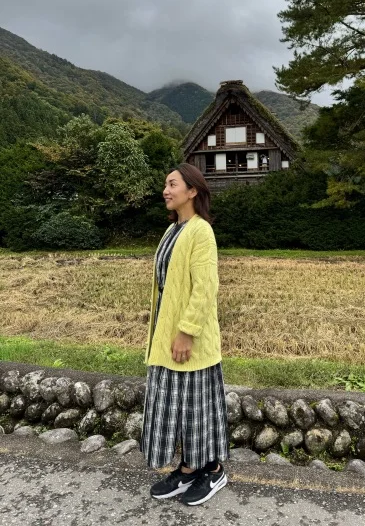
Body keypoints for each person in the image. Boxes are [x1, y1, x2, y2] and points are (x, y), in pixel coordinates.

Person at [140, 163, 229, 506]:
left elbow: (205, 288)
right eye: (165, 184)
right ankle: (190, 469)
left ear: (192, 191)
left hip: (190, 339)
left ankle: (213, 469)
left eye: (172, 184)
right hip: (167, 335)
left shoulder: (200, 231)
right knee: (176, 406)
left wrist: (187, 332)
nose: (166, 189)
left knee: (195, 407)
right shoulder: (172, 229)